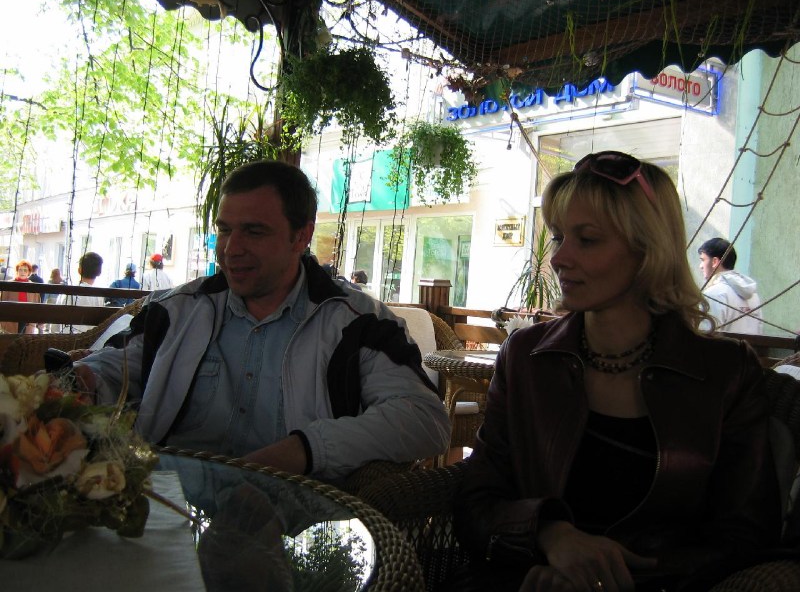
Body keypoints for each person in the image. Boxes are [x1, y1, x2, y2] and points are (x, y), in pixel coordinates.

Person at [453, 151, 782, 592]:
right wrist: (548, 535)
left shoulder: (726, 372)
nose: (559, 258)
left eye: (587, 240)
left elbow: (747, 536)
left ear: (648, 250)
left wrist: (610, 579)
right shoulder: (527, 357)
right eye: (559, 237)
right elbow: (476, 499)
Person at [73, 160, 450, 481]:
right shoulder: (174, 311)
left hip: (294, 518)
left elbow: (425, 419)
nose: (231, 249)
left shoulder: (358, 324)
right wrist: (83, 382)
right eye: (225, 229)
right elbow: (115, 368)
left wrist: (304, 450)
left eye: (254, 231)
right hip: (169, 509)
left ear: (301, 236)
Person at [698, 237, 764, 334]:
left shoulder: (713, 294)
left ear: (714, 262)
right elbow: (759, 331)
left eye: (703, 260)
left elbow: (707, 335)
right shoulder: (754, 296)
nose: (700, 266)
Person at [60, 251, 104, 333]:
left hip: (67, 338)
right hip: (90, 339)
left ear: (79, 270)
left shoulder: (69, 292)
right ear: (99, 272)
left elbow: (56, 326)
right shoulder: (99, 296)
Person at [0, 260, 42, 333]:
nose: (22, 272)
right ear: (17, 271)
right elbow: (2, 302)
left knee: (25, 339)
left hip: (28, 320)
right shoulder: (9, 285)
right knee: (13, 338)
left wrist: (39, 321)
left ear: (29, 272)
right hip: (11, 320)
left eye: (25, 270)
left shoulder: (34, 286)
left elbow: (37, 305)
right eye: (20, 270)